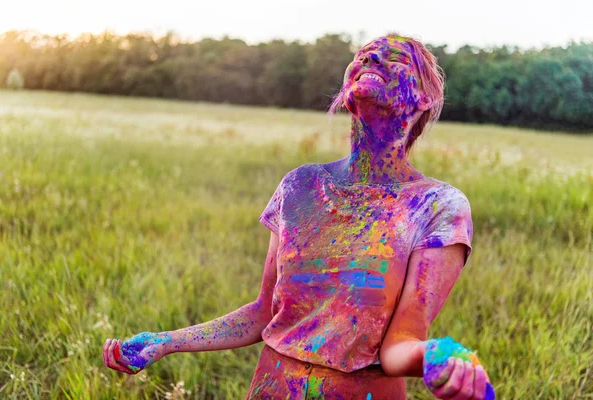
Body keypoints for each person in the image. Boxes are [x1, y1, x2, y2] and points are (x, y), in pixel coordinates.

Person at [103, 33, 493, 399]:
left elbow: (398, 346)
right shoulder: (299, 186)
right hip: (271, 387)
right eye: (363, 55)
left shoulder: (437, 206)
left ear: (424, 98)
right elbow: (264, 313)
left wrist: (437, 357)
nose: (371, 58)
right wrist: (166, 341)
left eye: (395, 58)